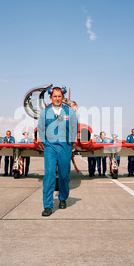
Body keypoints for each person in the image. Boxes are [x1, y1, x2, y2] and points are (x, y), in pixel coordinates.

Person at [37, 86, 78, 217]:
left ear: (63, 97)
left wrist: (69, 145)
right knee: (49, 174)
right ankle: (48, 206)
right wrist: (46, 143)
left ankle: (62, 198)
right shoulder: (45, 112)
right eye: (55, 96)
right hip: (50, 147)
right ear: (51, 97)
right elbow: (40, 128)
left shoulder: (69, 112)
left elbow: (74, 128)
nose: (57, 99)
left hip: (65, 146)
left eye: (59, 96)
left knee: (64, 175)